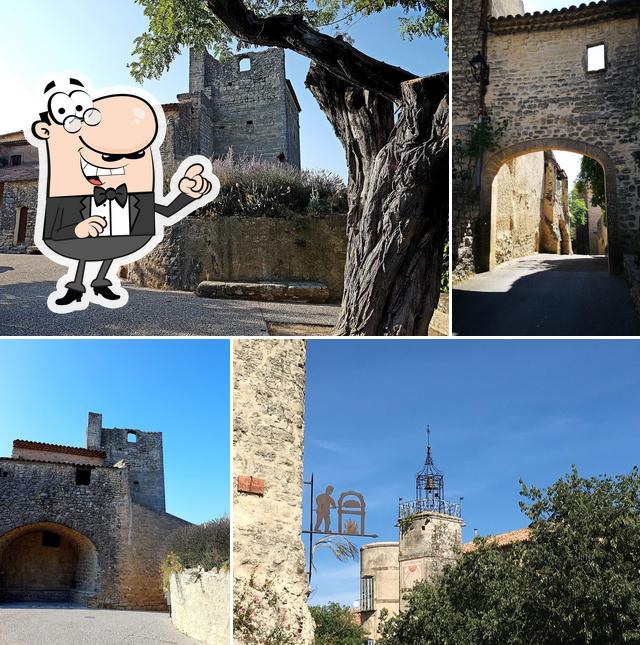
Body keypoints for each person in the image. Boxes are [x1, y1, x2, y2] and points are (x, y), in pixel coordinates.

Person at [29, 77, 218, 312]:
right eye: (109, 156)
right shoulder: (70, 195)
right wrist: (78, 229)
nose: (116, 160)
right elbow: (57, 229)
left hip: (119, 236)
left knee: (110, 246)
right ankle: (76, 286)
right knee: (84, 250)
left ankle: (100, 281)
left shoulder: (134, 197)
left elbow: (166, 211)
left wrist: (186, 195)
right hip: (83, 236)